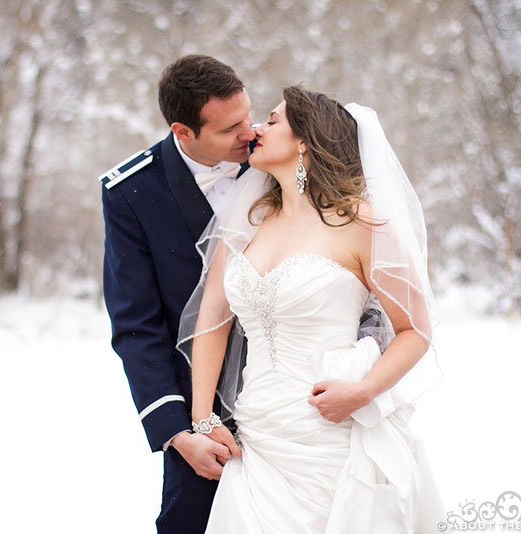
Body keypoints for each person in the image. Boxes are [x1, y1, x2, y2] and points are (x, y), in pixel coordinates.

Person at [178, 85, 444, 533]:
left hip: (329, 435)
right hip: (257, 437)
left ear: (305, 141)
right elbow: (212, 321)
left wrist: (363, 392)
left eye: (273, 119)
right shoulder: (247, 221)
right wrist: (203, 418)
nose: (257, 129)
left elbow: (415, 330)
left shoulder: (362, 222)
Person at [100, 55, 256, 534]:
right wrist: (177, 432)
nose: (249, 133)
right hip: (201, 414)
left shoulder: (282, 162)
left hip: (291, 394)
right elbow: (136, 326)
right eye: (230, 128)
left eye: (249, 114)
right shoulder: (130, 191)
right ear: (183, 131)